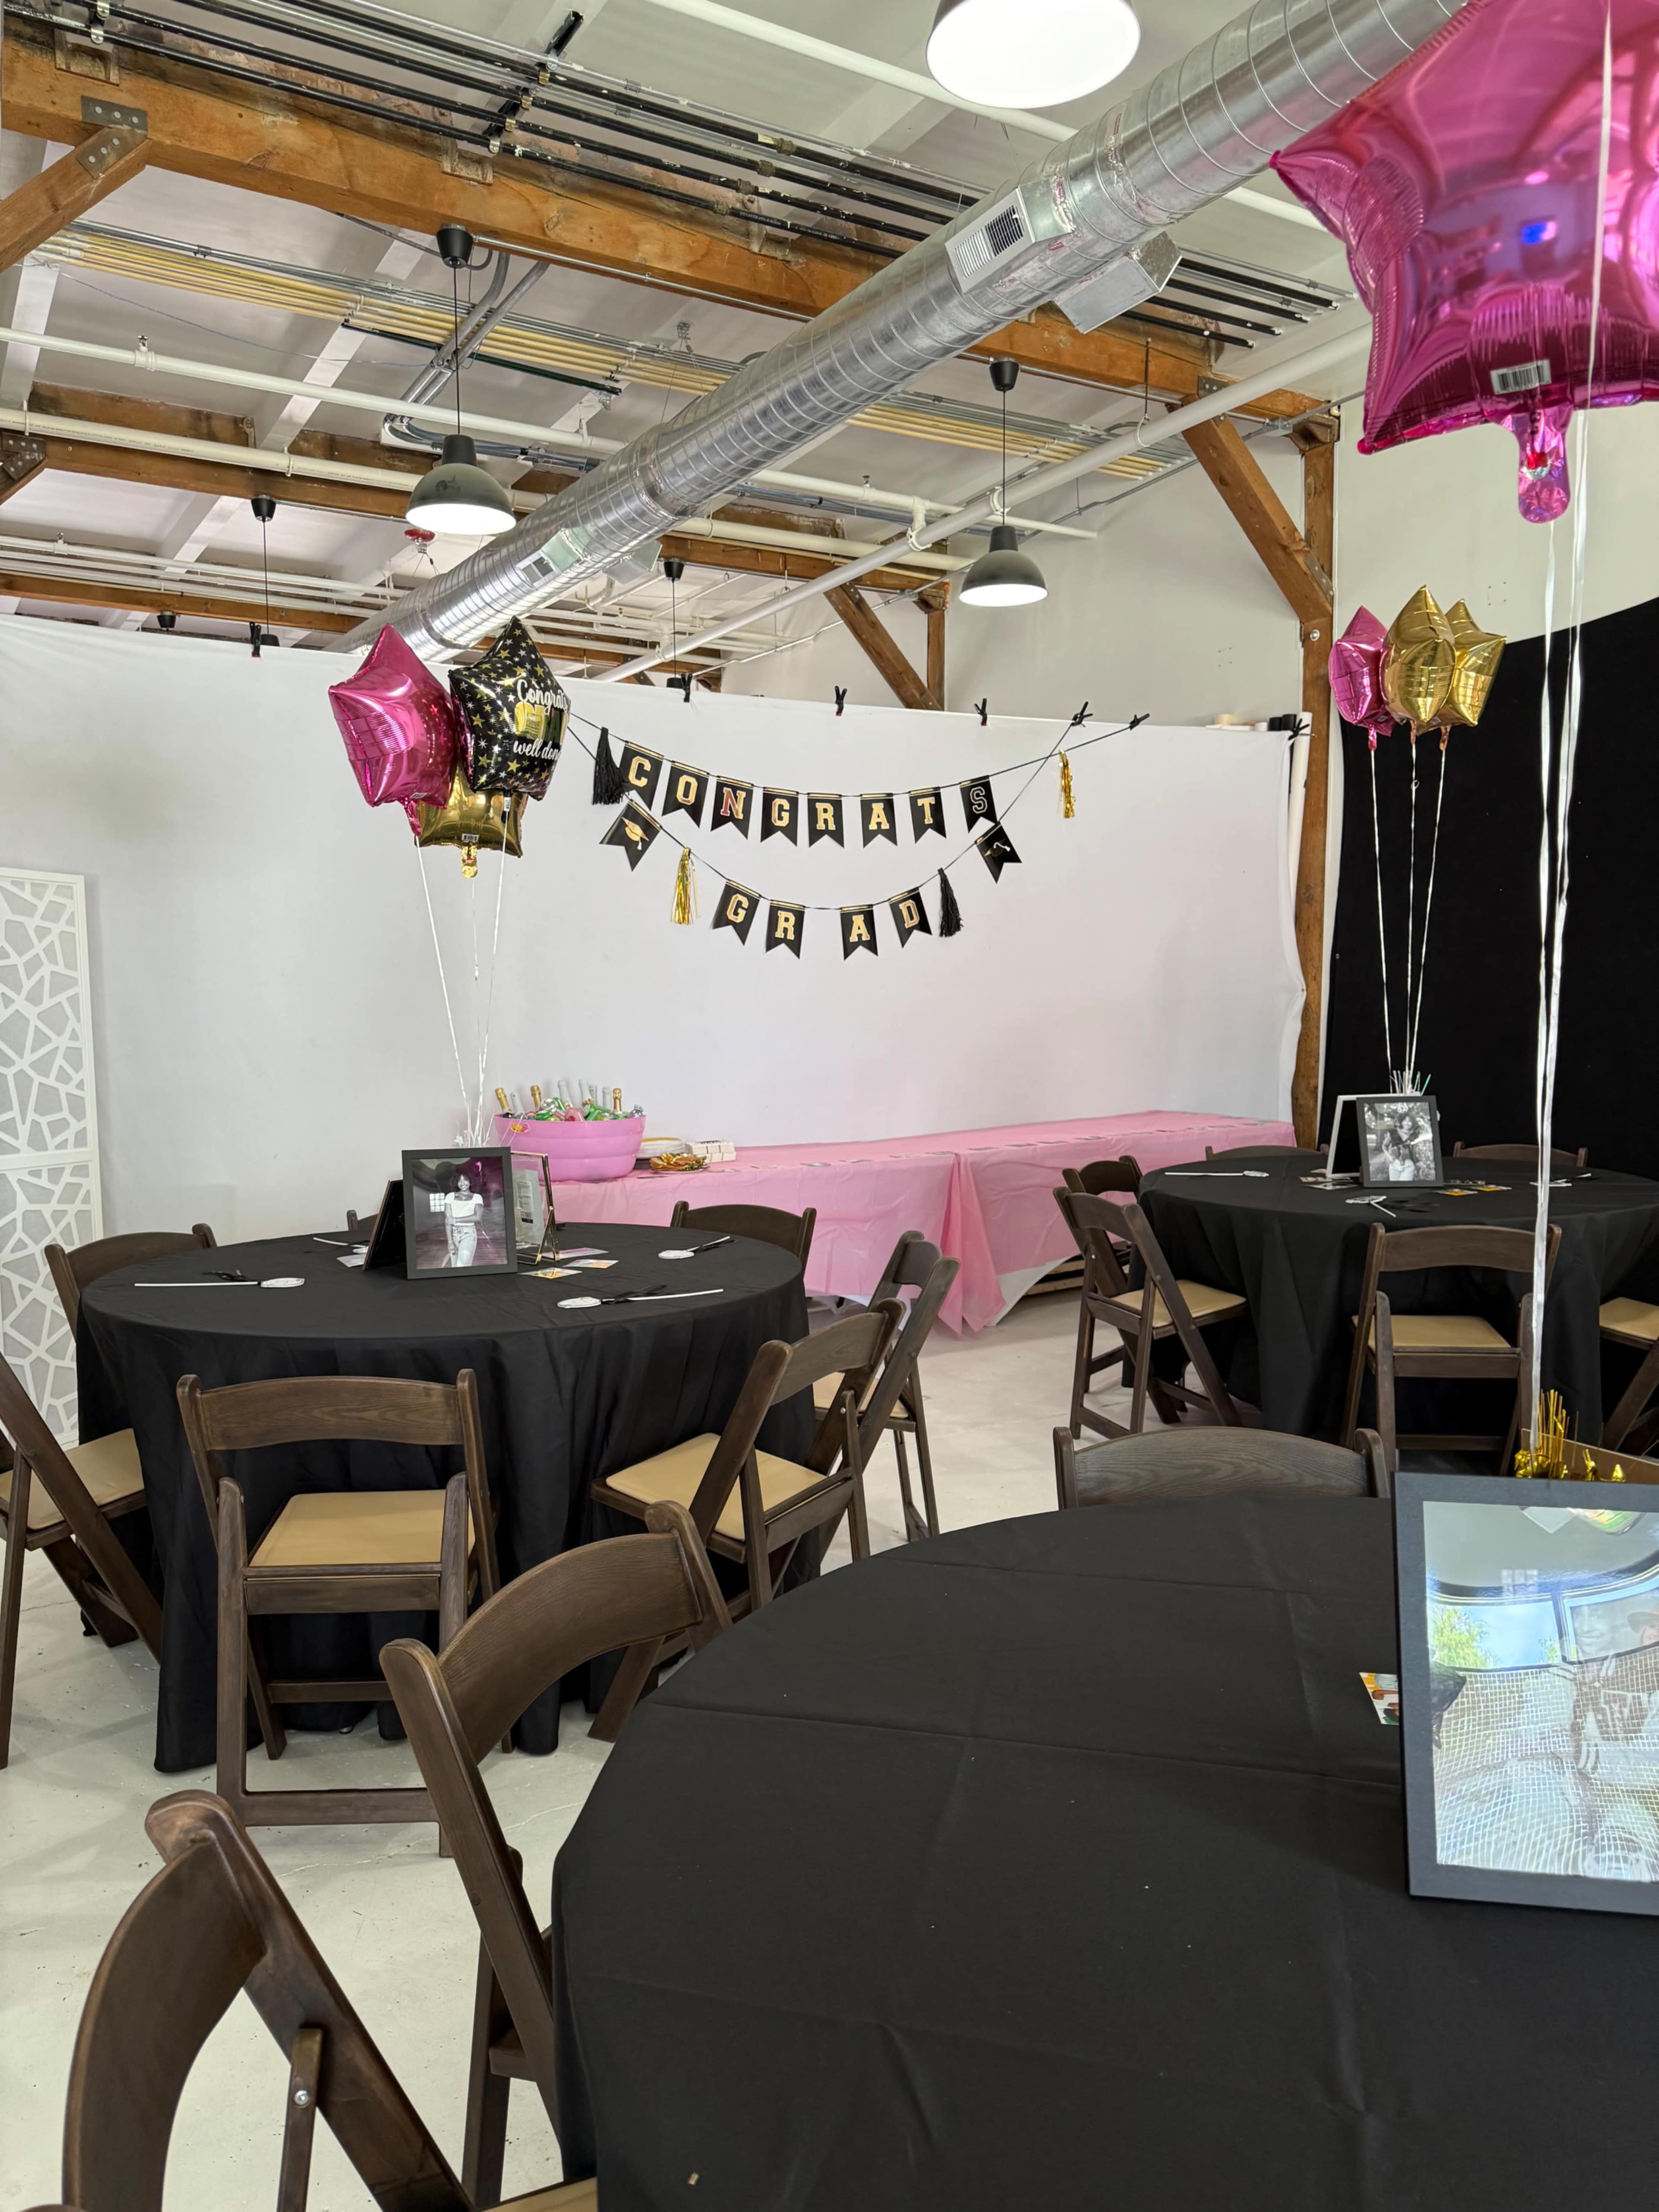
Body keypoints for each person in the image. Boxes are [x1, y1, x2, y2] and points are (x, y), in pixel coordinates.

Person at [439, 1171, 485, 1267]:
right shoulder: (450, 1197)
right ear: (457, 1182)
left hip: (469, 1234)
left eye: (466, 1180)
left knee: (462, 1265)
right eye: (460, 1181)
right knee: (455, 1266)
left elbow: (477, 1217)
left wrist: (455, 1220)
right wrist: (450, 1242)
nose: (463, 1183)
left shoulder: (477, 1198)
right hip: (454, 1234)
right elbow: (448, 1221)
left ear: (471, 1182)